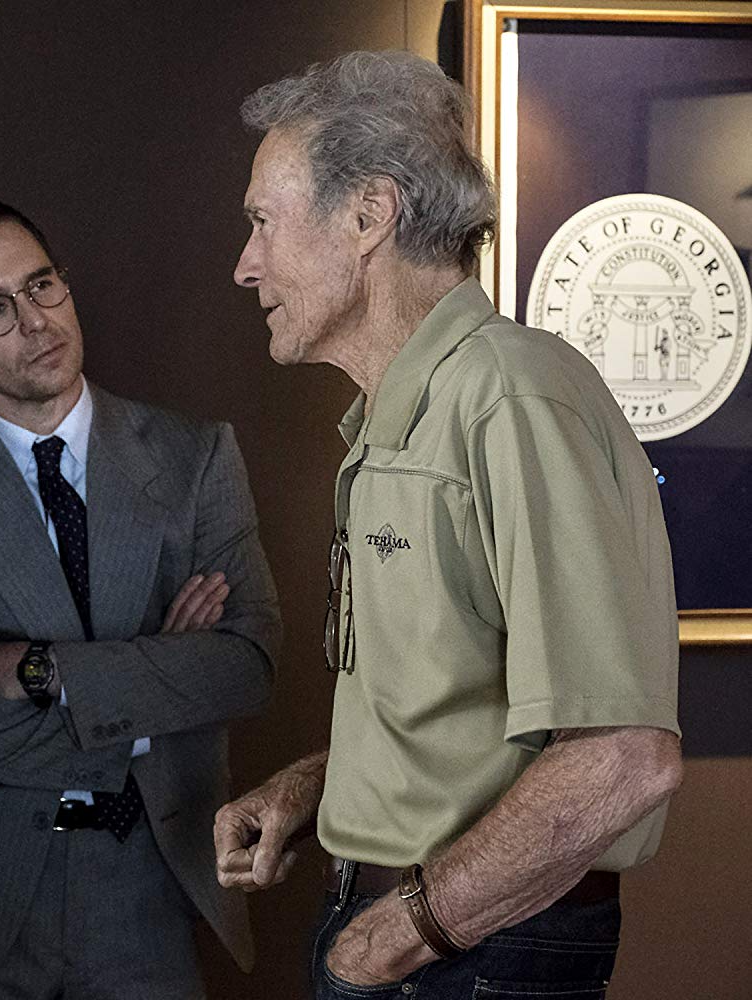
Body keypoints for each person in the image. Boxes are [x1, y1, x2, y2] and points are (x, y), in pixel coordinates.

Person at [214, 51, 682, 999]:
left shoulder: (509, 396)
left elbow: (623, 757)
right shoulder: (406, 413)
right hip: (420, 935)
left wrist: (398, 936)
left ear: (368, 216)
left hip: (466, 953)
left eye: (263, 221)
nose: (245, 265)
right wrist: (318, 788)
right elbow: (466, 712)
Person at [0, 198, 281, 999]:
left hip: (148, 885)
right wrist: (159, 677)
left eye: (41, 285)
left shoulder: (195, 458)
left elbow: (246, 667)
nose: (35, 322)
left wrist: (42, 670)